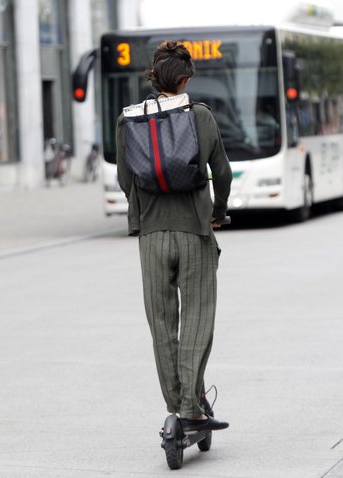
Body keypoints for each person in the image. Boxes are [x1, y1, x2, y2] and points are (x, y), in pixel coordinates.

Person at [116, 41, 232, 432]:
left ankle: (176, 403)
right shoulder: (200, 115)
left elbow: (124, 178)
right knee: (198, 317)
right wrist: (218, 212)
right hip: (194, 230)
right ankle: (191, 405)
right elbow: (224, 172)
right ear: (183, 79)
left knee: (161, 323)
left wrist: (143, 211)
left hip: (151, 236)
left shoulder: (129, 118)